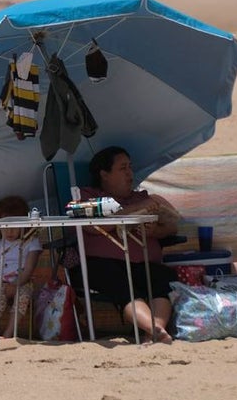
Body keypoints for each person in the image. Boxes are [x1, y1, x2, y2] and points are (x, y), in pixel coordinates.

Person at [72, 146, 180, 344]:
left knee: (162, 280)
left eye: (130, 167)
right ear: (104, 174)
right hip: (104, 265)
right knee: (121, 285)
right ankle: (153, 328)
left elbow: (173, 226)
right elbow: (91, 225)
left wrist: (157, 231)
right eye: (123, 168)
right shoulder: (88, 197)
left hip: (144, 264)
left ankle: (155, 330)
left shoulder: (141, 197)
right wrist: (139, 208)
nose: (130, 173)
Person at [0, 196, 41, 333]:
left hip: (22, 281)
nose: (9, 231)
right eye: (5, 226)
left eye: (14, 226)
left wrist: (15, 285)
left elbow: (28, 270)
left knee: (23, 297)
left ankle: (9, 333)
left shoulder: (31, 243)